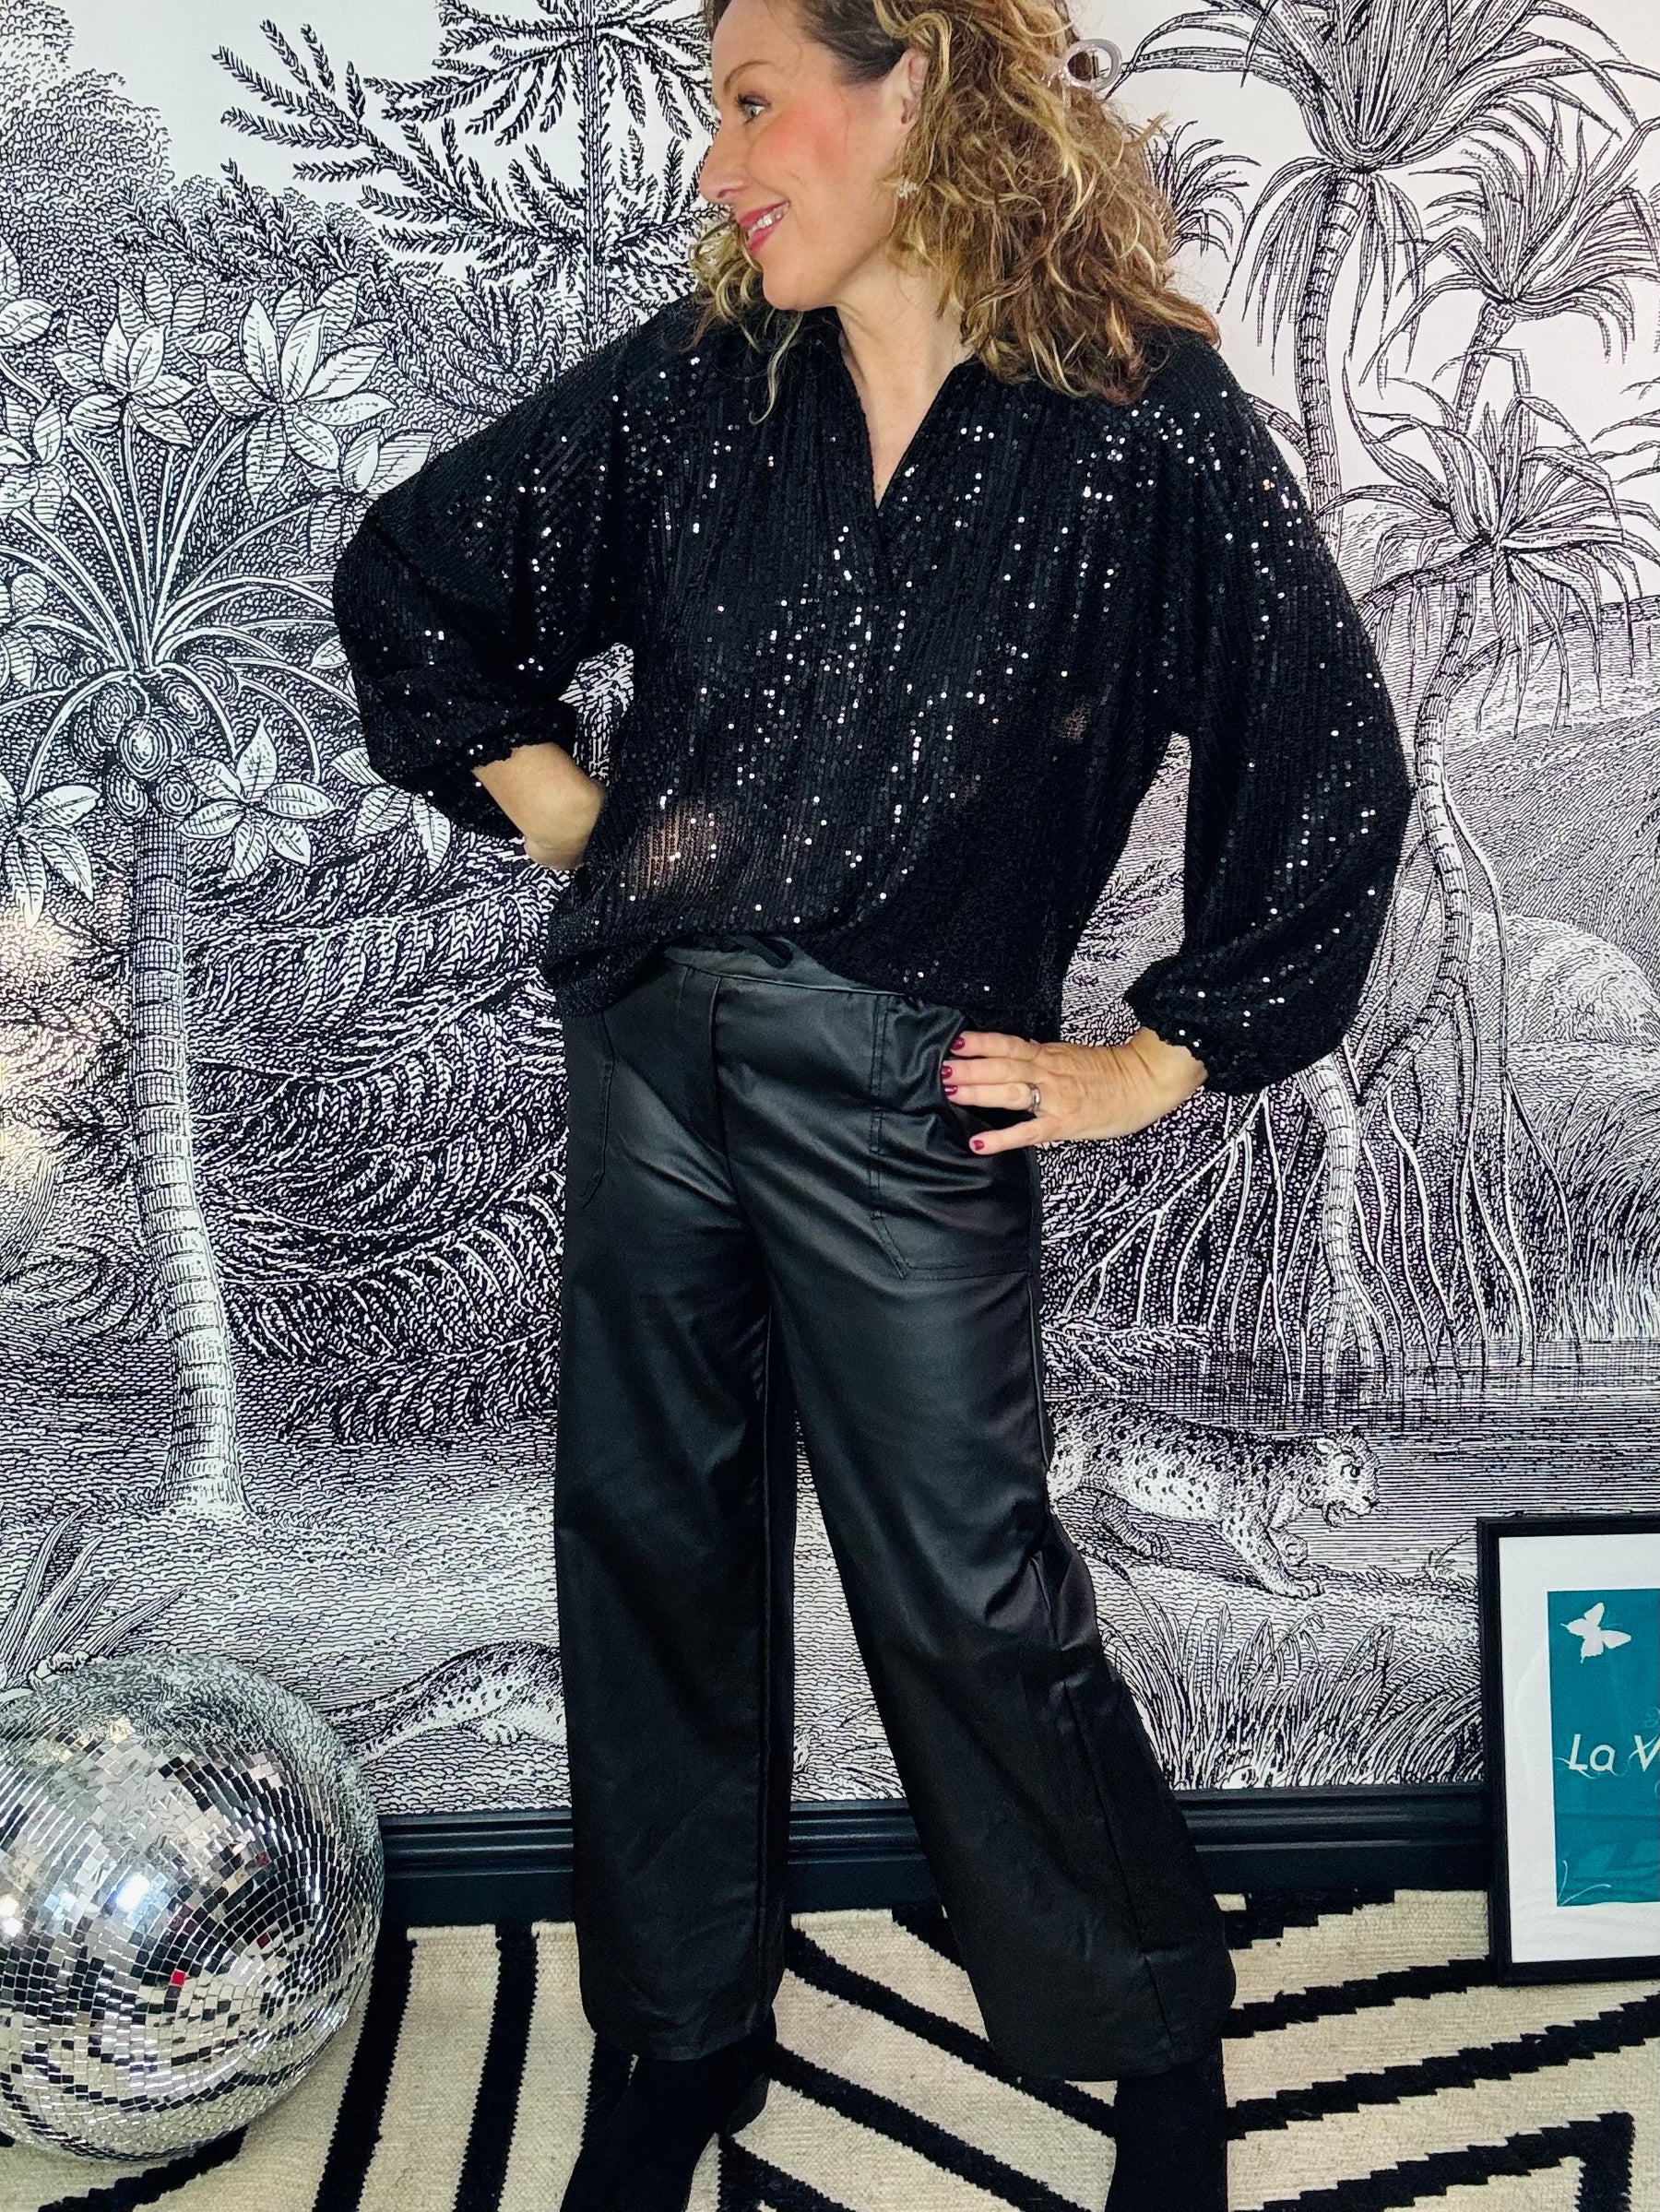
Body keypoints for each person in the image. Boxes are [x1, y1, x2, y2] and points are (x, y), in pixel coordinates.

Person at [330, 2, 1415, 2204]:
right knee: (652, 1555)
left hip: (906, 1086)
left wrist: (1161, 1053)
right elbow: (412, 573)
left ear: (912, 81)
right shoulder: (708, 387)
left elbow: (1325, 749)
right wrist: (572, 817)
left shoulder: (1133, 418)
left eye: (753, 101)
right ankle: (682, 2035)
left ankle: (1144, 2032)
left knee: (966, 1592)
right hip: (654, 1048)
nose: (719, 161)